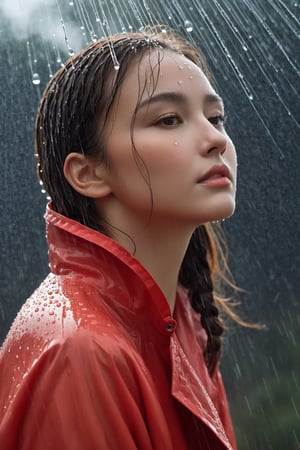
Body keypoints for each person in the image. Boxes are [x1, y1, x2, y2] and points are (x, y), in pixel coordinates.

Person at [0, 27, 240, 449]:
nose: (216, 139)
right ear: (89, 173)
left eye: (215, 117)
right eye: (168, 119)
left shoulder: (187, 323)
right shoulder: (77, 353)